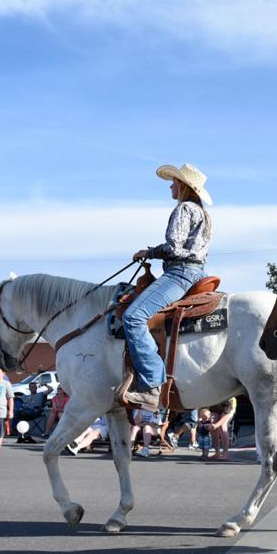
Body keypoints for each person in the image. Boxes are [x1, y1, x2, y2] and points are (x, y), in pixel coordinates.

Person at [116, 162, 212, 409]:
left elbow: (173, 247)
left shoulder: (184, 209)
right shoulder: (203, 213)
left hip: (180, 272)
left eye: (173, 182)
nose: (170, 185)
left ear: (182, 186)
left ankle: (152, 385)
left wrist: (147, 252)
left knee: (134, 317)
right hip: (195, 271)